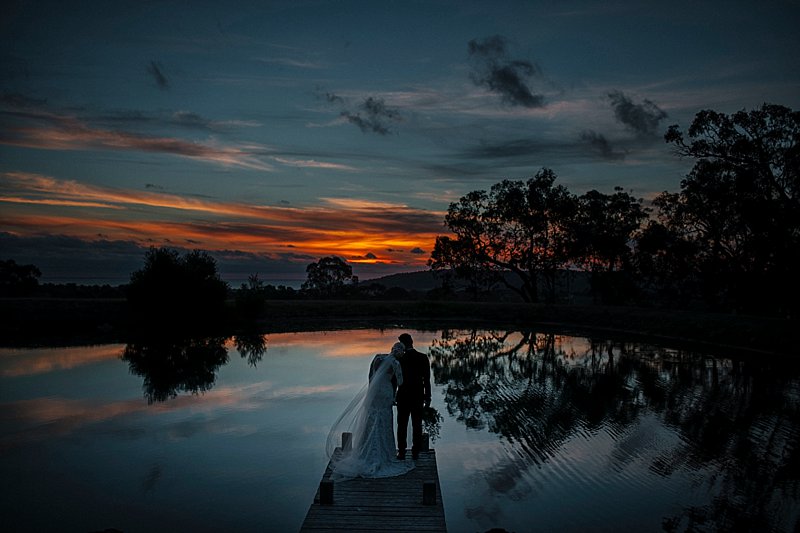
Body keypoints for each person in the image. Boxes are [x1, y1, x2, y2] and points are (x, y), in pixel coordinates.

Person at [326, 342, 415, 478]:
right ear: (399, 352)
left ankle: (365, 451)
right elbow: (401, 381)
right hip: (386, 392)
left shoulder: (377, 358)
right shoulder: (395, 364)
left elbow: (370, 377)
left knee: (372, 418)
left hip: (374, 393)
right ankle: (385, 453)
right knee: (384, 419)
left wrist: (371, 392)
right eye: (402, 353)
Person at [395, 333, 431, 460]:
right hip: (418, 396)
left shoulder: (399, 359)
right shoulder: (423, 357)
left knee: (402, 425)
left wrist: (394, 395)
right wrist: (428, 398)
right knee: (417, 425)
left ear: (403, 344)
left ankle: (402, 452)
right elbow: (427, 380)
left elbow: (395, 380)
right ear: (412, 342)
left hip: (403, 396)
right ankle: (415, 452)